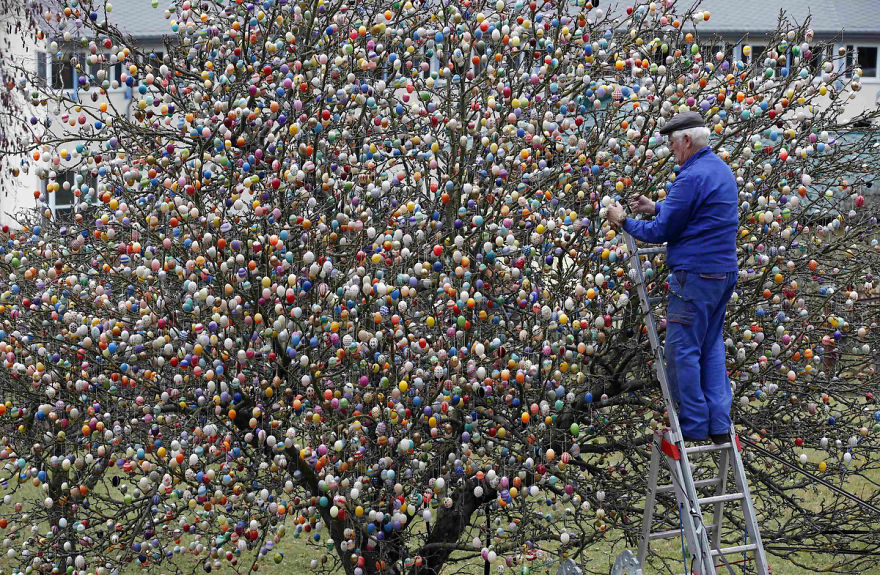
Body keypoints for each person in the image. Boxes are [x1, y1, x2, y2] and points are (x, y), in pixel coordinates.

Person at [607, 112, 739, 444]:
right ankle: (719, 424)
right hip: (722, 274)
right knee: (710, 347)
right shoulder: (719, 170)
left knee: (682, 351)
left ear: (686, 141)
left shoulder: (691, 176)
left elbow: (664, 231)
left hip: (695, 276)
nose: (670, 149)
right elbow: (693, 213)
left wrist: (625, 222)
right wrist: (657, 207)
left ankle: (694, 424)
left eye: (671, 143)